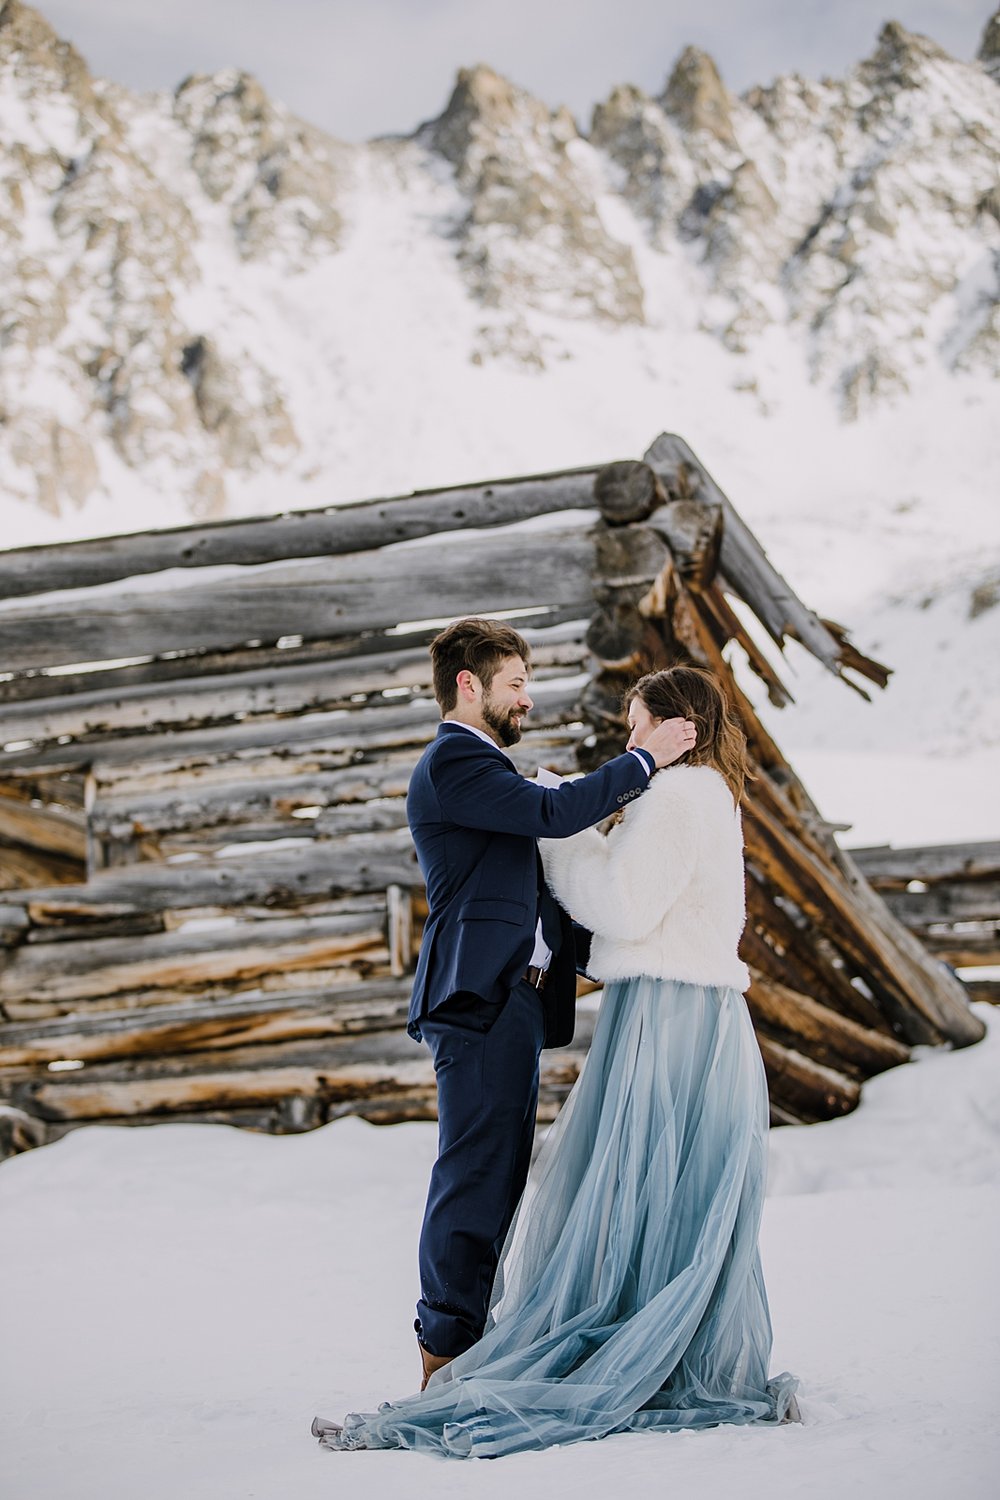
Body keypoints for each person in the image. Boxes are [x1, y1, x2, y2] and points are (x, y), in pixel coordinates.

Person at [313, 660, 797, 1457]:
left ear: (678, 728)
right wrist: (579, 817)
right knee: (631, 1191)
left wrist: (569, 837)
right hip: (658, 1007)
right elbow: (568, 830)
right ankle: (488, 1348)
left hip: (667, 1011)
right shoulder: (697, 795)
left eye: (639, 723)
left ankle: (540, 1351)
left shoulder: (675, 796)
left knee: (626, 1188)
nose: (629, 736)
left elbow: (619, 902)